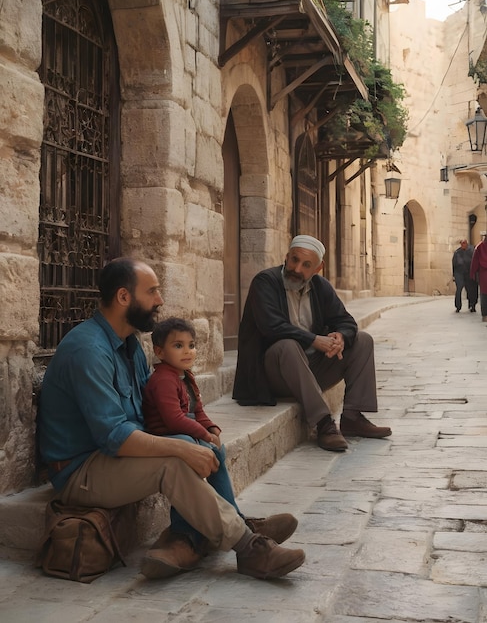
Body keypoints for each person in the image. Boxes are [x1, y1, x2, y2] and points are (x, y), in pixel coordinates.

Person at [38, 257, 305, 581]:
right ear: (124, 297)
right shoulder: (88, 350)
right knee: (175, 462)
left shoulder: (130, 345)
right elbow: (114, 436)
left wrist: (192, 438)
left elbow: (144, 417)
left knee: (194, 445)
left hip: (109, 456)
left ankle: (209, 529)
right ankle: (249, 547)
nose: (160, 300)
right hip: (79, 472)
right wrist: (180, 450)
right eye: (151, 292)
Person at [142, 317, 296, 548]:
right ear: (159, 352)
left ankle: (231, 519)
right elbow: (173, 419)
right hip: (166, 435)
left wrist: (212, 429)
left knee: (217, 452)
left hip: (183, 429)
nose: (187, 351)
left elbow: (198, 412)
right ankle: (215, 526)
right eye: (178, 346)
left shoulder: (185, 377)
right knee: (203, 452)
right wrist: (203, 435)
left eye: (191, 345)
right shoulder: (164, 379)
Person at [232, 234, 392, 452]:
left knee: (362, 340)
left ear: (318, 268)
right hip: (272, 374)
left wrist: (340, 337)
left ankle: (353, 417)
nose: (297, 269)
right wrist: (314, 340)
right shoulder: (265, 282)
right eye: (294, 260)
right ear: (286, 257)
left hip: (310, 370)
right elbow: (272, 326)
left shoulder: (320, 287)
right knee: (287, 345)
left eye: (306, 265)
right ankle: (324, 424)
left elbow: (346, 321)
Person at [452, 239, 478, 312]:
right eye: (462, 243)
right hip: (459, 273)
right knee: (459, 289)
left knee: (470, 289)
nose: (463, 245)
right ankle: (458, 306)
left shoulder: (471, 251)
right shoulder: (457, 252)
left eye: (464, 243)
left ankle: (472, 305)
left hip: (469, 273)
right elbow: (454, 264)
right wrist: (454, 274)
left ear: (467, 243)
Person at [470, 233, 487, 322]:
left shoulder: (479, 247)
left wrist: (473, 273)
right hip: (483, 275)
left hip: (483, 275)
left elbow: (475, 261)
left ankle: (485, 315)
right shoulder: (479, 247)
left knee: (484, 295)